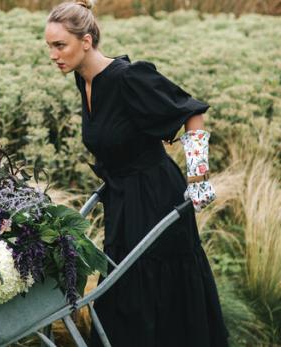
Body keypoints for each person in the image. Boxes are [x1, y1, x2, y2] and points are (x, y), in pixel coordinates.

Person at [44, 1, 229, 346]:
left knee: (155, 289)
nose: (53, 54)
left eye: (60, 45)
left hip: (156, 198)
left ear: (86, 41)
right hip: (122, 201)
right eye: (49, 47)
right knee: (124, 289)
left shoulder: (129, 77)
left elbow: (192, 112)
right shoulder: (84, 80)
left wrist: (198, 176)